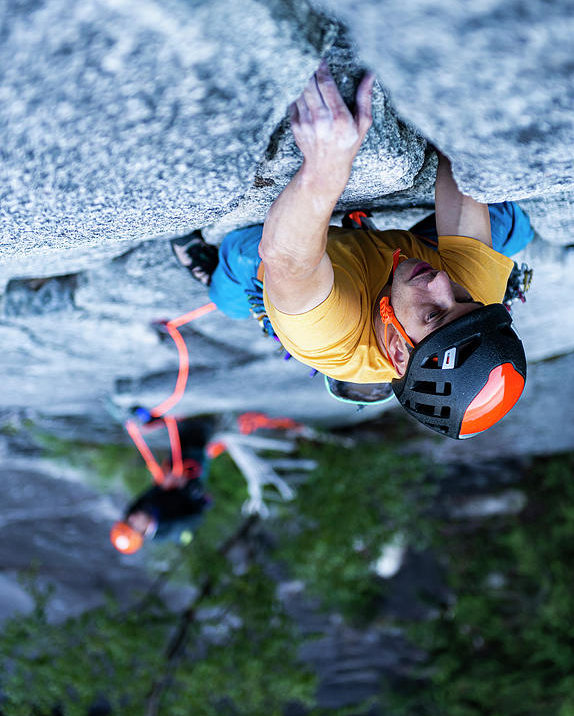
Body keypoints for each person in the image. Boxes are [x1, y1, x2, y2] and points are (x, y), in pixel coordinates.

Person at [172, 62, 532, 439]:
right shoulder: (474, 304)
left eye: (433, 314)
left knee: (241, 261)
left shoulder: (331, 338)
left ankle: (216, 281)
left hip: (304, 272)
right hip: (399, 259)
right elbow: (460, 172)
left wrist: (327, 167)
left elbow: (287, 259)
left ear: (396, 351)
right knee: (507, 220)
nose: (443, 282)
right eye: (462, 298)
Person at [110, 417, 215, 554]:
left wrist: (164, 484)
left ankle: (180, 424)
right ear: (143, 532)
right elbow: (199, 513)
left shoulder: (136, 509)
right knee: (196, 443)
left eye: (127, 521)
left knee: (179, 445)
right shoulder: (170, 530)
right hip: (190, 487)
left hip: (172, 478)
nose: (132, 518)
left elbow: (151, 491)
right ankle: (204, 428)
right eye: (132, 525)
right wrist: (186, 487)